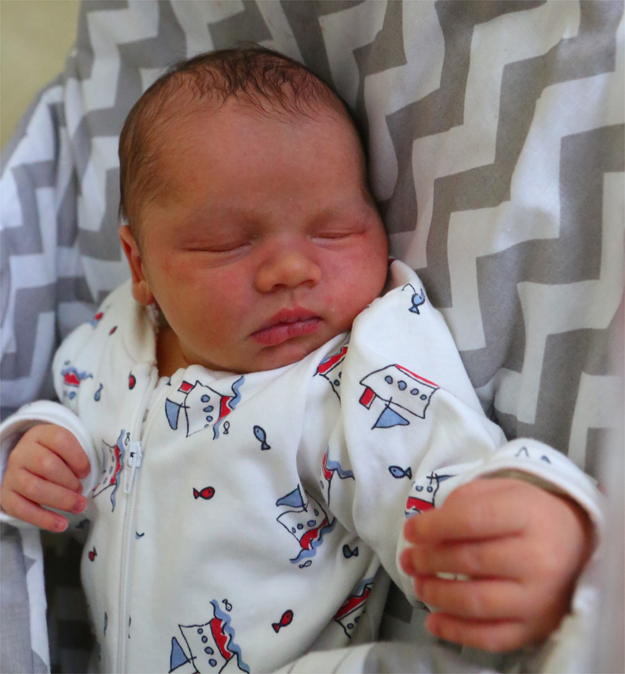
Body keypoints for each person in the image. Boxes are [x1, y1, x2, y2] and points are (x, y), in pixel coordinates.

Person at [0, 47, 599, 673]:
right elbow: (78, 438)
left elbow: (438, 480)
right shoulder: (111, 337)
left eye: (333, 231)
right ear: (140, 266)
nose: (291, 269)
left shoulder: (349, 377)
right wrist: (45, 448)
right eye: (227, 244)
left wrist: (541, 526)